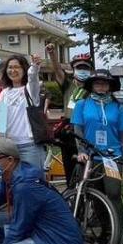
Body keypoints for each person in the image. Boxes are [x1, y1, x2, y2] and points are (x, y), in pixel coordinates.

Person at [71, 69, 123, 218]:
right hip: (91, 157)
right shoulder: (81, 104)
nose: (101, 86)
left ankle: (120, 230)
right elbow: (78, 130)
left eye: (105, 83)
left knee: (114, 193)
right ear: (91, 85)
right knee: (95, 195)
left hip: (112, 158)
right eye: (97, 83)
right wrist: (81, 151)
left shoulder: (118, 107)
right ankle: (105, 229)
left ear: (110, 86)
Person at [0, 54, 47, 169]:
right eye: (10, 67)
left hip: (29, 146)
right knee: (12, 183)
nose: (13, 70)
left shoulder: (30, 89)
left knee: (32, 183)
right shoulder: (4, 93)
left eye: (17, 67)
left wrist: (35, 66)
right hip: (9, 147)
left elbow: (33, 78)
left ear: (24, 69)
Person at [52, 48, 93, 183]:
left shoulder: (95, 88)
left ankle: (89, 197)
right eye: (78, 67)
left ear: (90, 70)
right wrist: (52, 54)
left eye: (85, 68)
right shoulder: (68, 86)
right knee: (70, 169)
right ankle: (72, 196)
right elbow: (58, 71)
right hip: (69, 131)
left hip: (87, 130)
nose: (82, 71)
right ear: (73, 70)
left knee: (87, 169)